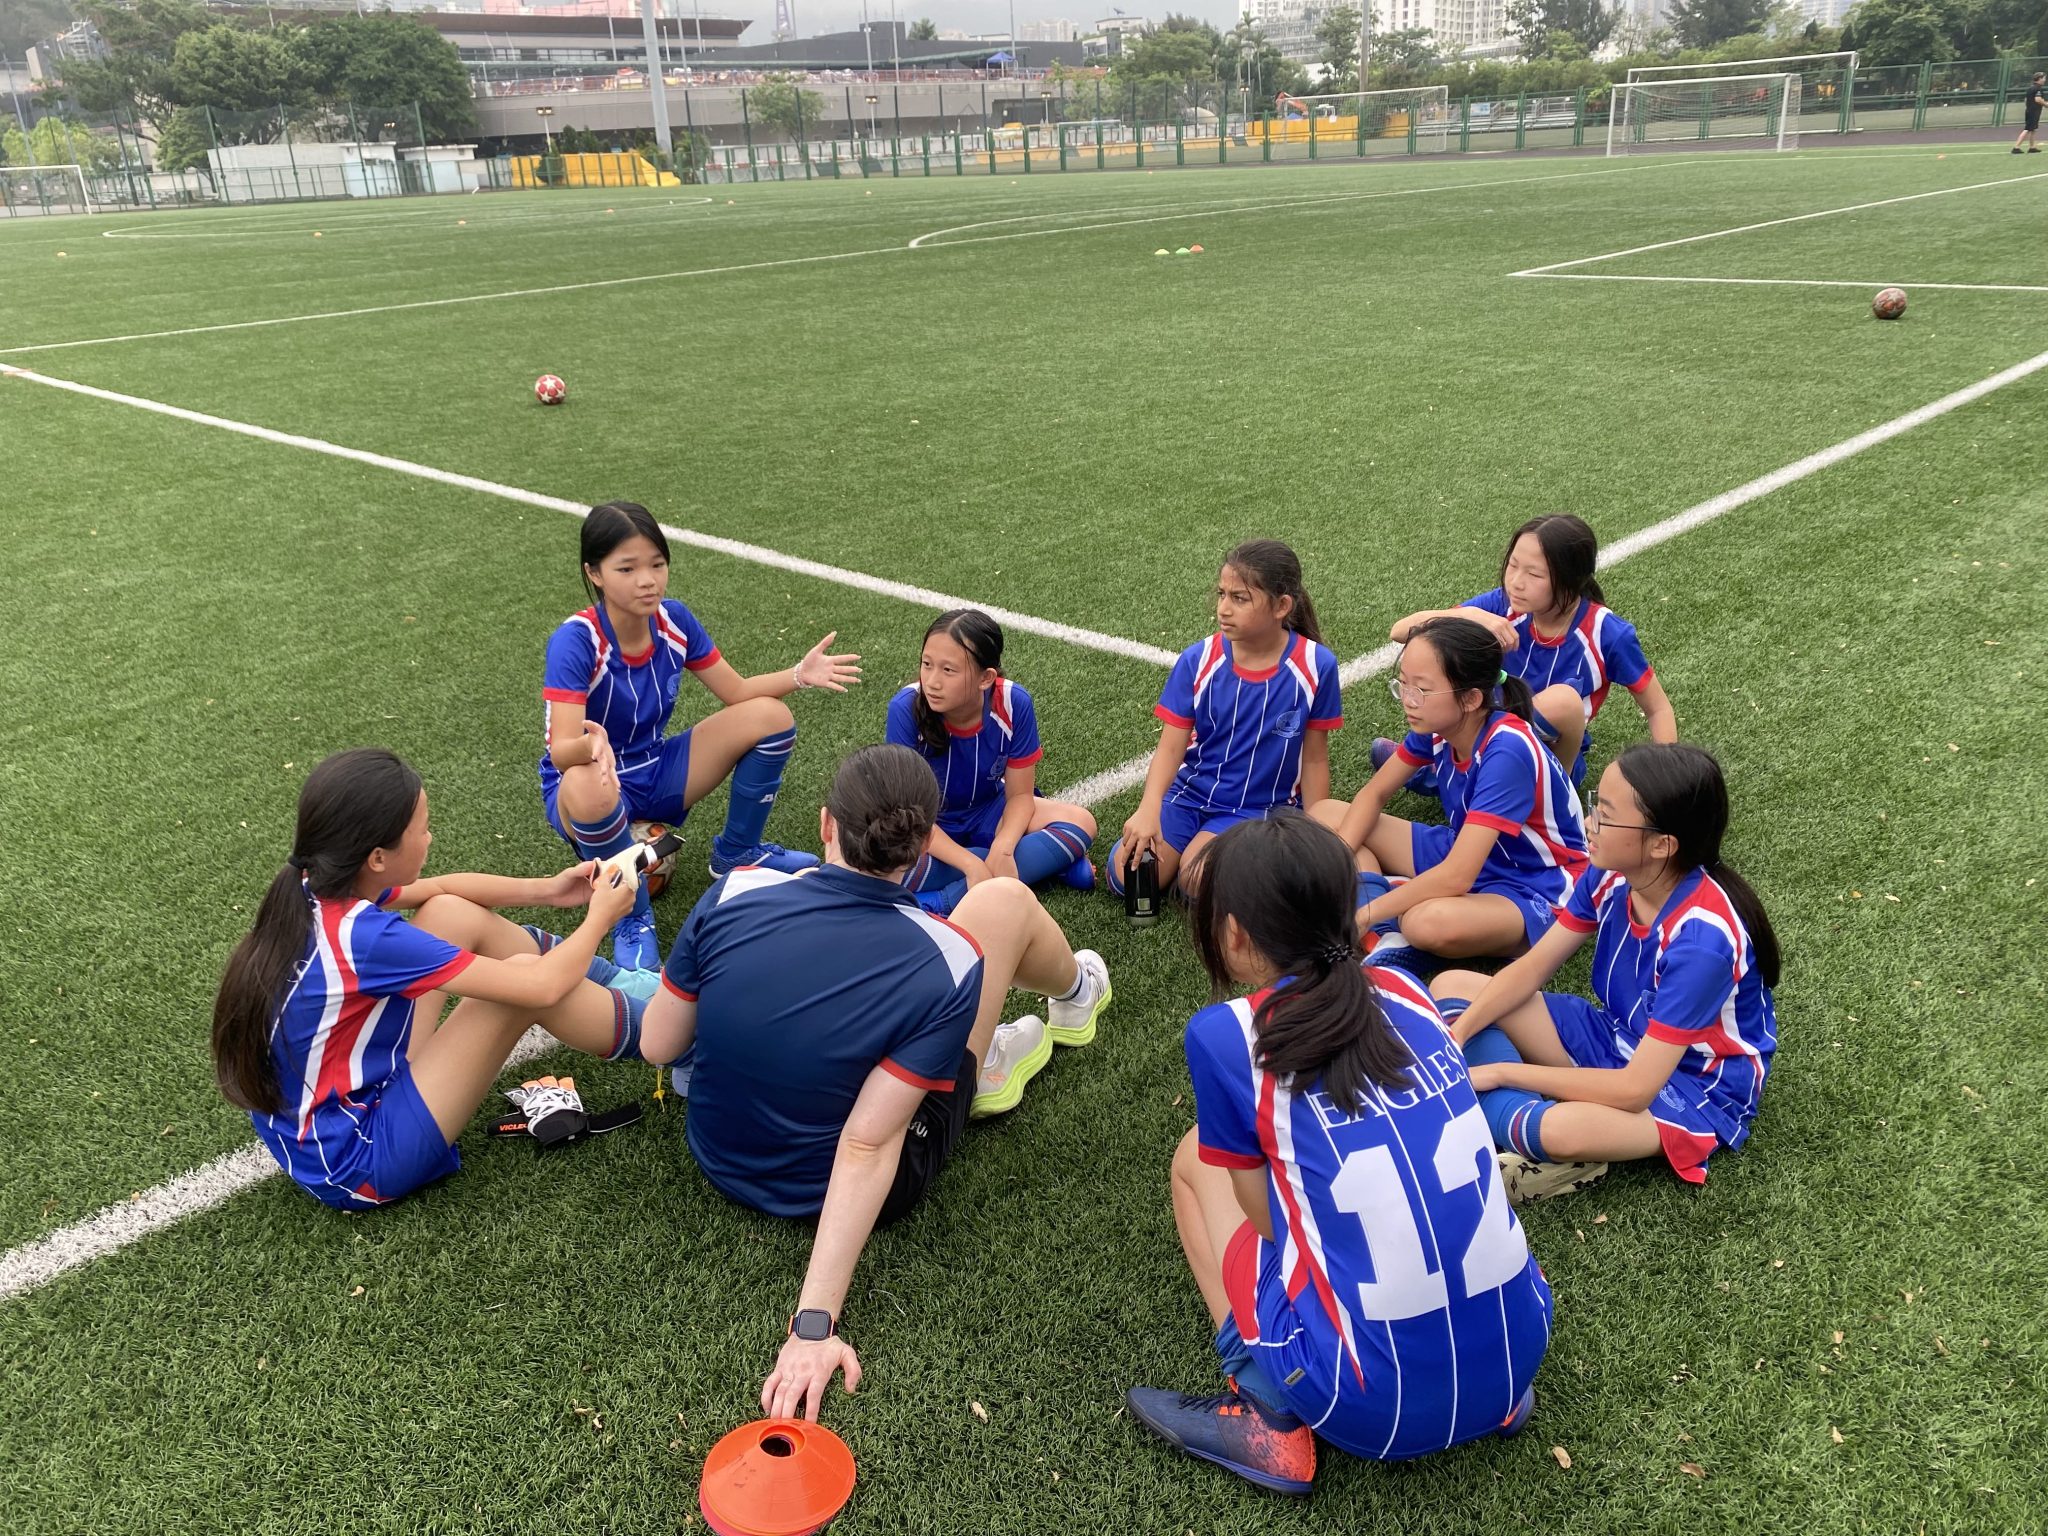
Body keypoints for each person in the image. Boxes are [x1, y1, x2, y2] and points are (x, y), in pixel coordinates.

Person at [635, 744, 1113, 1420]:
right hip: (843, 1178)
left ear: (825, 823)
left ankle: (1017, 1025)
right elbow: (866, 1146)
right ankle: (1075, 994)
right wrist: (811, 1327)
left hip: (717, 1154)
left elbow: (658, 1043)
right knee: (1003, 902)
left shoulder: (736, 889)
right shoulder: (947, 956)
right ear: (921, 850)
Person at [1124, 814, 1551, 1494]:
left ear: (1233, 933)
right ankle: (1477, 1385)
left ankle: (1265, 1407)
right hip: (1518, 1356)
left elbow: (1267, 1223)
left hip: (1371, 1409)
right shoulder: (1409, 991)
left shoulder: (1226, 1034)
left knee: (1194, 1161)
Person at [212, 748, 660, 1211]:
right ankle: (676, 1038)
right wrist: (600, 918)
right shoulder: (364, 938)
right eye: (422, 829)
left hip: (346, 1108)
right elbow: (542, 988)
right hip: (358, 1161)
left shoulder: (319, 883)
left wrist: (548, 889)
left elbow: (441, 891)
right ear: (378, 857)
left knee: (448, 913)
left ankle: (627, 987)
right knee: (520, 986)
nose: (430, 837)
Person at [1431, 743, 1780, 1198]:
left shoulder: (1702, 943)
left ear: (1662, 845)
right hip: (1616, 1035)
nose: (1589, 822)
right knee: (1454, 984)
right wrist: (1456, 1038)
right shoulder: (1611, 873)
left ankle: (1527, 1122)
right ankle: (1518, 1121)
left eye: (1606, 816)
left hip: (1692, 1088)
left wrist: (1501, 1073)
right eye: (1596, 804)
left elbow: (1635, 1090)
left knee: (1559, 1130)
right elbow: (1531, 968)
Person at [540, 501, 862, 969]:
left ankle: (737, 853)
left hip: (654, 768)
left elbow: (738, 692)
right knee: (588, 781)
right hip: (585, 785)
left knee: (771, 717)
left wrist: (799, 674)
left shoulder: (674, 620)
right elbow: (562, 752)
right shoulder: (577, 640)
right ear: (595, 573)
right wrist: (592, 744)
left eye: (657, 564)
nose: (647, 580)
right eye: (627, 568)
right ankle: (632, 917)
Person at [1314, 616, 1588, 967]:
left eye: (1421, 690)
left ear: (1471, 699)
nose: (1408, 700)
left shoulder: (1507, 751)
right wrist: (1335, 863)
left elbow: (1458, 875)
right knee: (1325, 815)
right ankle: (1383, 924)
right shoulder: (1437, 725)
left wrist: (1364, 913)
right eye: (1403, 685)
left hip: (1535, 884)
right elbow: (1374, 794)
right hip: (1466, 850)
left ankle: (1380, 909)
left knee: (1427, 923)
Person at [1109, 540, 1342, 902]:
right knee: (1130, 875)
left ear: (1281, 606)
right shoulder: (1198, 659)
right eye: (1221, 594)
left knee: (1197, 879)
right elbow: (1170, 748)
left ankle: (1200, 866)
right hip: (1189, 797)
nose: (1223, 609)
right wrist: (1149, 808)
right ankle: (1191, 862)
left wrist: (1313, 834)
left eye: (1239, 598)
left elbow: (1313, 759)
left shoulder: (1316, 665)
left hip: (1259, 809)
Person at [1384, 515, 1674, 789]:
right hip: (1484, 731)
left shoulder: (1607, 634)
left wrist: (1665, 783)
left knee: (1554, 704)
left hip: (1550, 755)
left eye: (1534, 574)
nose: (1516, 582)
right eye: (1512, 565)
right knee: (1445, 689)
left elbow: (1658, 708)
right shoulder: (1502, 605)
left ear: (1571, 580)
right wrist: (1471, 615)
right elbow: (1401, 631)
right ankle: (1449, 771)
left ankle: (1444, 772)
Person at [885, 608, 1096, 914]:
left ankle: (944, 901)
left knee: (1081, 823)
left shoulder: (1013, 702)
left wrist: (1004, 847)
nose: (932, 681)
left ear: (986, 678)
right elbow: (909, 816)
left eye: (948, 670)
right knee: (882, 864)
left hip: (989, 811)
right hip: (925, 825)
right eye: (926, 664)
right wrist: (971, 863)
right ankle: (1042, 865)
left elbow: (1021, 796)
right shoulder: (905, 709)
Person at [2014, 72, 2045, 153]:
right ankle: (2016, 147)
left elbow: (2026, 100)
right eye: (2044, 78)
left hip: (2030, 110)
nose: (2045, 80)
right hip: (2033, 111)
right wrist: (2046, 104)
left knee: (2033, 129)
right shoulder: (2037, 88)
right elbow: (2038, 99)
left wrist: (2029, 107)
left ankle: (2032, 147)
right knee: (2027, 129)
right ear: (2039, 79)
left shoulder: (2031, 88)